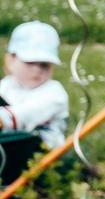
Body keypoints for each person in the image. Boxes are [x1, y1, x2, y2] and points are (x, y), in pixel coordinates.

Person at [2, 20, 70, 149]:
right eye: (30, 62)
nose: (37, 69)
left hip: (40, 153)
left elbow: (26, 114)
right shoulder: (5, 86)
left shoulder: (54, 93)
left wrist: (2, 119)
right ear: (10, 60)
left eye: (44, 64)